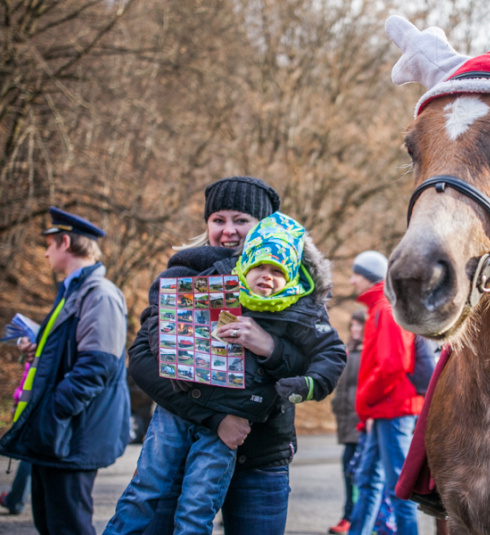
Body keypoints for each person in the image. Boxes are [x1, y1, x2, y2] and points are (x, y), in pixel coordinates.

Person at [124, 176, 343, 535]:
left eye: (241, 220)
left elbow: (316, 361)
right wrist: (215, 418)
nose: (228, 231)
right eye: (218, 220)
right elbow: (144, 362)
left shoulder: (292, 286)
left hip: (261, 458)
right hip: (182, 450)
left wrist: (270, 347)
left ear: (264, 228)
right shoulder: (183, 275)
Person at [0, 207, 130, 534]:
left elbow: (97, 366)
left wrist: (54, 411)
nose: (45, 253)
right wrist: (40, 349)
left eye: (49, 244)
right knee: (49, 524)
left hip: (71, 434)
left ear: (66, 243)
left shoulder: (99, 295)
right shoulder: (74, 291)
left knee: (68, 527)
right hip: (57, 435)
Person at [347, 250, 423, 535]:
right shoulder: (379, 307)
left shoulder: (386, 308)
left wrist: (365, 398)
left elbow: (394, 364)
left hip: (394, 409)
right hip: (384, 409)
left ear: (368, 276)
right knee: (367, 480)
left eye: (355, 274)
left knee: (398, 489)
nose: (351, 280)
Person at [329, 310, 366, 534]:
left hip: (361, 424)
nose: (355, 329)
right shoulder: (348, 351)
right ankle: (350, 517)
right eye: (353, 325)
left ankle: (353, 518)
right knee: (349, 472)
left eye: (359, 325)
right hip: (347, 423)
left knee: (358, 475)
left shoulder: (368, 352)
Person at [0, 356, 34, 515]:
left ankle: (16, 499)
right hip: (34, 407)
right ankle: (16, 499)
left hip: (37, 409)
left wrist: (16, 402)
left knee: (31, 456)